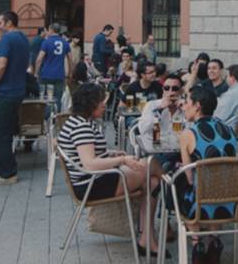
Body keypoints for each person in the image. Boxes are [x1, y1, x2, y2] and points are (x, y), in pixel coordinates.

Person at [58, 83, 165, 258]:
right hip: (92, 185)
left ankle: (147, 237)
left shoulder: (78, 122)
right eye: (101, 102)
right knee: (152, 164)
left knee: (153, 182)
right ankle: (174, 191)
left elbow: (89, 154)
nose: (105, 105)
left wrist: (111, 153)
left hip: (94, 180)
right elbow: (89, 164)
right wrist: (122, 159)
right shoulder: (82, 127)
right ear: (91, 104)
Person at [175, 85, 238, 262]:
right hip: (232, 202)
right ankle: (215, 240)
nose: (183, 105)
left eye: (187, 101)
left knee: (182, 185)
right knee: (214, 182)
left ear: (197, 106)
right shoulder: (228, 129)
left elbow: (189, 178)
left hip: (200, 205)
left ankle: (197, 243)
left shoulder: (189, 133)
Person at [0, 11, 29, 185]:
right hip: (18, 90)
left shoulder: (7, 39)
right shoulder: (23, 38)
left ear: (9, 23)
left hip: (5, 92)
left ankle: (7, 173)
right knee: (5, 131)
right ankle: (2, 168)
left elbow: (1, 64)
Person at [136, 74, 184, 171]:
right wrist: (159, 110)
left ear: (181, 91)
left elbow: (191, 132)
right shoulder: (152, 105)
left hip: (179, 152)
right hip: (156, 152)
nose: (170, 92)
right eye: (167, 88)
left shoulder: (185, 108)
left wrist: (185, 110)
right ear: (163, 90)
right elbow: (143, 129)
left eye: (174, 89)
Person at [35, 23, 73, 112]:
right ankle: (56, 119)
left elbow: (39, 59)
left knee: (45, 98)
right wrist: (70, 73)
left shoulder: (46, 42)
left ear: (51, 30)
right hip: (59, 75)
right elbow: (70, 60)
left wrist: (36, 72)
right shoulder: (65, 43)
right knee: (57, 99)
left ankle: (46, 119)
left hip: (46, 74)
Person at [213, 64, 238, 129]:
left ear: (233, 78)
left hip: (225, 130)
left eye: (227, 76)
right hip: (237, 129)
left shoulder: (232, 94)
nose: (226, 79)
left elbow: (218, 117)